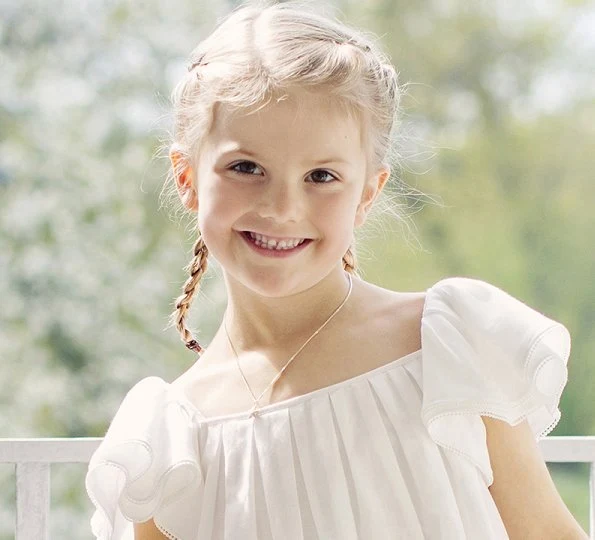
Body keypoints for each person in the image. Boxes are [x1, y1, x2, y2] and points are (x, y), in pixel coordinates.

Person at [85, 2, 588, 539]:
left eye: (320, 175)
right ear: (187, 178)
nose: (282, 207)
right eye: (246, 168)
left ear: (367, 193)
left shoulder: (445, 345)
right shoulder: (169, 439)